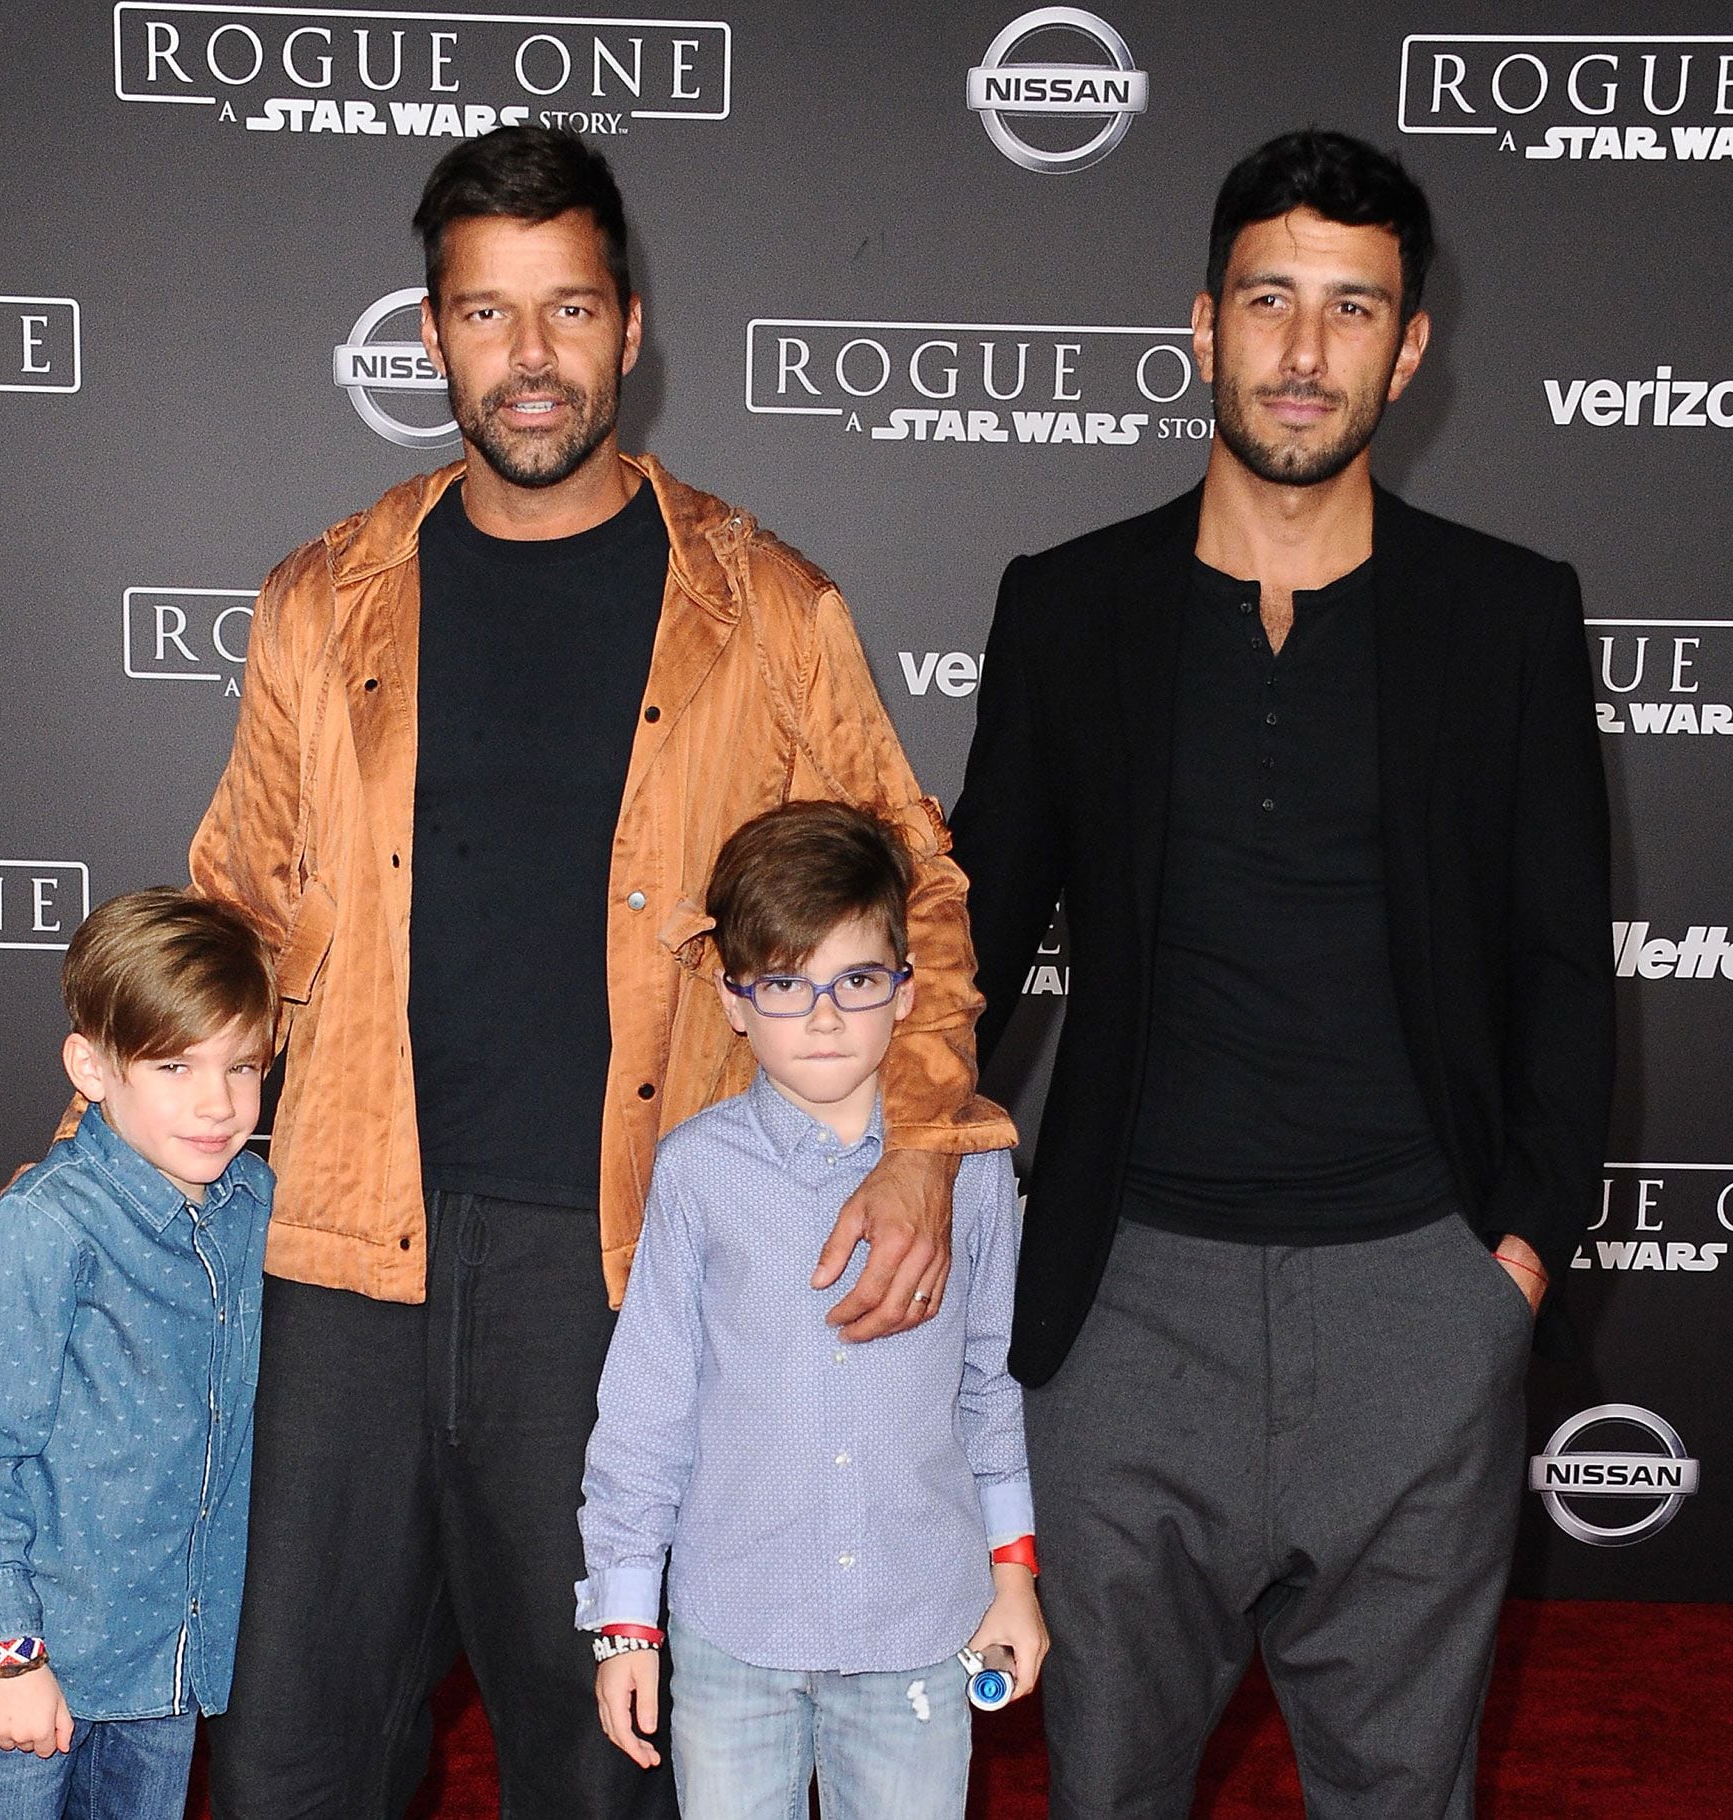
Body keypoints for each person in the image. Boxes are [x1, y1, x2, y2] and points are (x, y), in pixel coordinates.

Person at [194, 127, 1012, 1819]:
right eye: (488, 317)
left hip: (626, 1260)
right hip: (346, 1242)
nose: (531, 358)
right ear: (430, 336)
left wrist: (926, 1136)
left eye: (567, 310)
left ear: (631, 326)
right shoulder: (320, 601)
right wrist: (111, 1150)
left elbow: (916, 888)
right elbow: (238, 914)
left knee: (601, 1760)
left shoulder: (770, 607)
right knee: (289, 1758)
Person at [949, 128, 1614, 1818]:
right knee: (1103, 1788)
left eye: (1350, 310)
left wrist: (1510, 1269)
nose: (1304, 353)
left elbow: (1560, 969)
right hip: (1122, 1313)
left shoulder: (1511, 615)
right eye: (1269, 301)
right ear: (1203, 323)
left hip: (1418, 1295)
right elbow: (965, 941)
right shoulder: (1070, 605)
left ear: (1409, 348)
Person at [577, 800, 1045, 1818]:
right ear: (735, 999)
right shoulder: (697, 1171)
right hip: (731, 1636)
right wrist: (626, 1621)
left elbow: (990, 1388)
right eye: (787, 984)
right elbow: (646, 1414)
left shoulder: (971, 1168)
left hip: (921, 1630)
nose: (824, 1015)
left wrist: (1015, 1576)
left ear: (906, 989)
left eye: (857, 980)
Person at [0, 890, 276, 1820]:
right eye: (173, 1066)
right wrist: (7, 1654)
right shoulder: (46, 1226)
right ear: (91, 1066)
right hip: (34, 1656)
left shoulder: (252, 1206)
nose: (217, 1104)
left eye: (243, 1068)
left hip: (167, 1664)